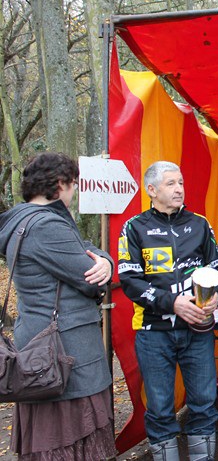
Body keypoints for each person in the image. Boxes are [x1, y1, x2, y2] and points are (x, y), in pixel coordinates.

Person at [0, 152, 115, 461]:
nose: (74, 191)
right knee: (66, 440)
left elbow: (84, 250)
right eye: (73, 184)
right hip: (63, 349)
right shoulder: (46, 225)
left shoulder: (22, 220)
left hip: (42, 344)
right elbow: (90, 278)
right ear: (61, 183)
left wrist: (104, 260)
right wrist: (104, 265)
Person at [118, 161, 218, 461]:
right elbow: (130, 281)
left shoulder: (200, 224)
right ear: (151, 190)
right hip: (154, 333)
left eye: (181, 182)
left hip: (197, 330)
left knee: (203, 403)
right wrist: (172, 302)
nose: (179, 189)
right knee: (160, 408)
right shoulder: (134, 227)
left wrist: (215, 296)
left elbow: (217, 270)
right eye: (171, 183)